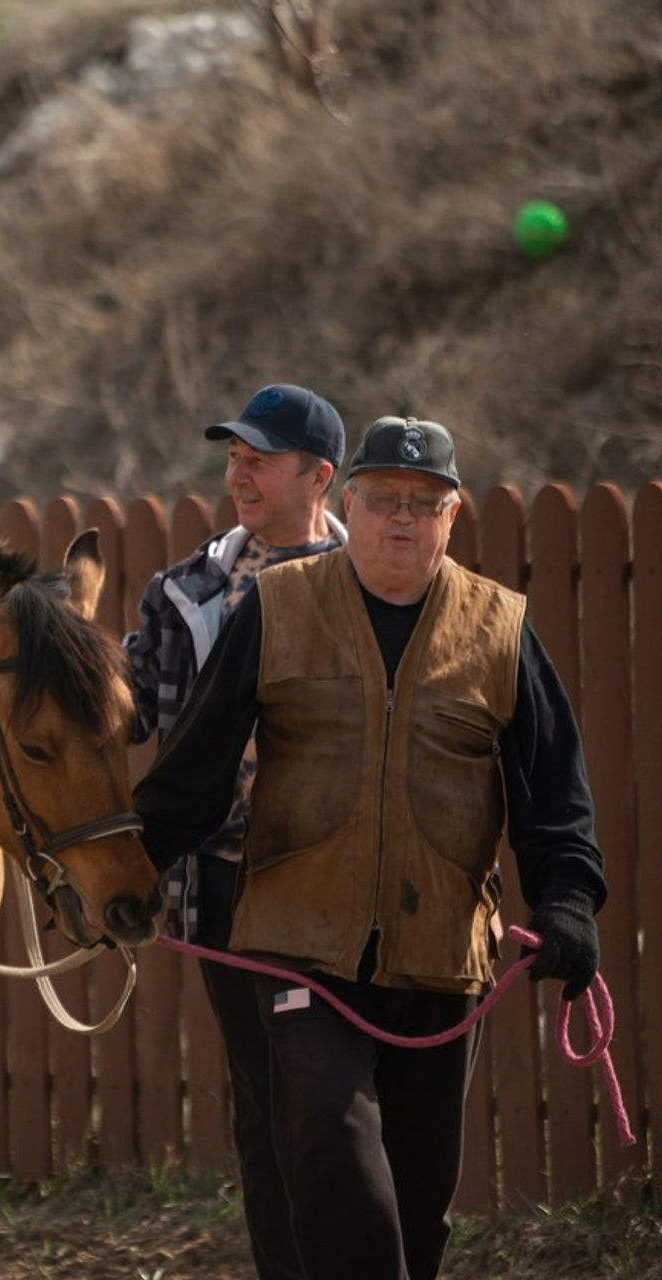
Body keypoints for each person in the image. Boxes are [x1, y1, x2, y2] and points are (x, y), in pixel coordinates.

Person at [132, 415, 605, 1280]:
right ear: (347, 501)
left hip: (439, 957)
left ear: (452, 516)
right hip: (298, 942)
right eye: (384, 497)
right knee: (333, 1151)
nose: (402, 518)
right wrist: (133, 870)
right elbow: (191, 772)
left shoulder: (499, 629)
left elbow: (554, 792)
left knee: (418, 1206)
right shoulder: (278, 607)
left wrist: (568, 900)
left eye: (424, 504)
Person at [124, 382, 347, 1280]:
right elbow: (131, 711)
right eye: (233, 457)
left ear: (320, 475)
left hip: (337, 884)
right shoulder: (186, 591)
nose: (239, 474)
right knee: (262, 1108)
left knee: (336, 1108)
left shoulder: (371, 582)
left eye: (261, 459)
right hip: (222, 882)